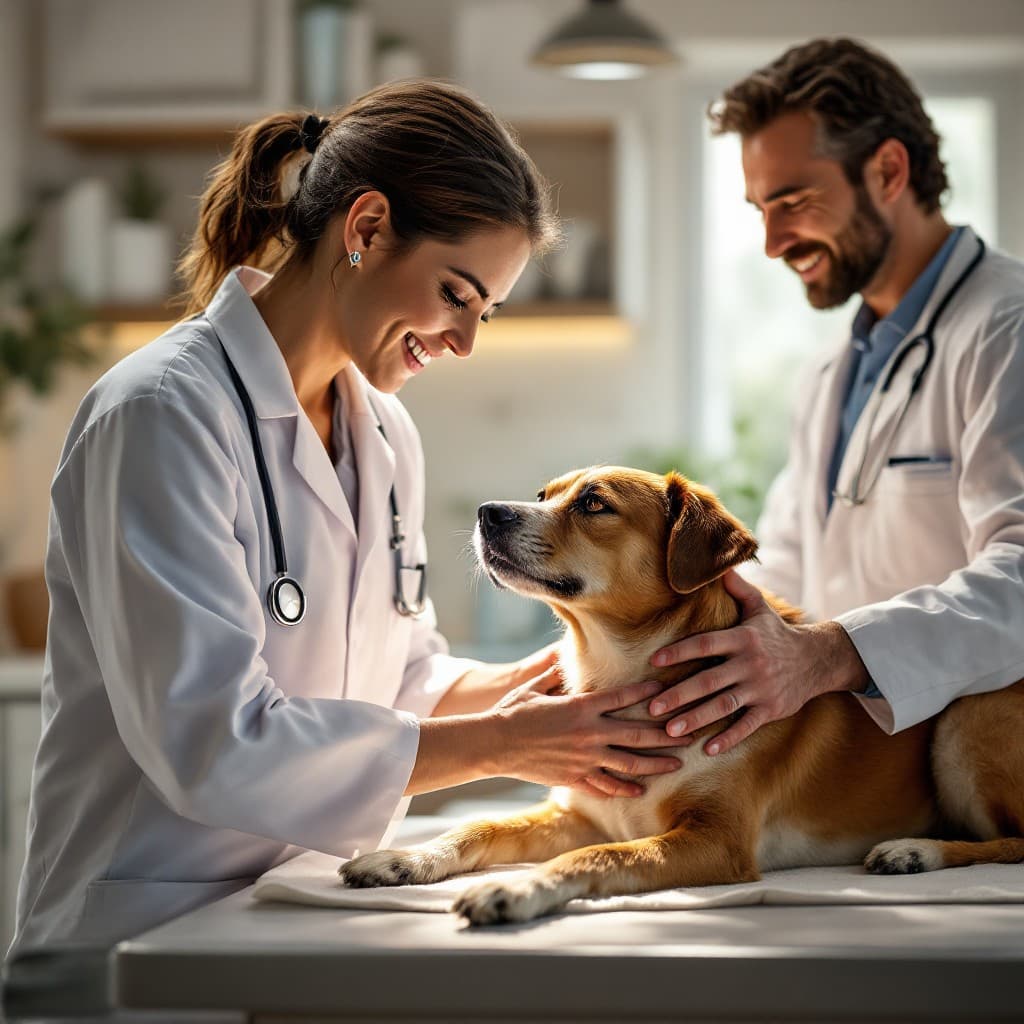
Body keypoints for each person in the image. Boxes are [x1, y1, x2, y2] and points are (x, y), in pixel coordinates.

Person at [10, 81, 682, 956]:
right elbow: (213, 742)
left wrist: (575, 681)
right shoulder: (162, 413)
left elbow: (398, 674)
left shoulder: (385, 432)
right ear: (365, 230)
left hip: (301, 921)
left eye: (486, 311)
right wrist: (505, 744)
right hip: (142, 935)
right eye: (456, 293)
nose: (465, 341)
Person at [648, 38, 1024, 755]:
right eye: (760, 208)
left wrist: (830, 654)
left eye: (791, 201)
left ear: (887, 170)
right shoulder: (830, 372)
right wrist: (641, 632)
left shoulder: (1008, 328)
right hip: (870, 776)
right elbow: (784, 570)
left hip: (988, 755)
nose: (772, 241)